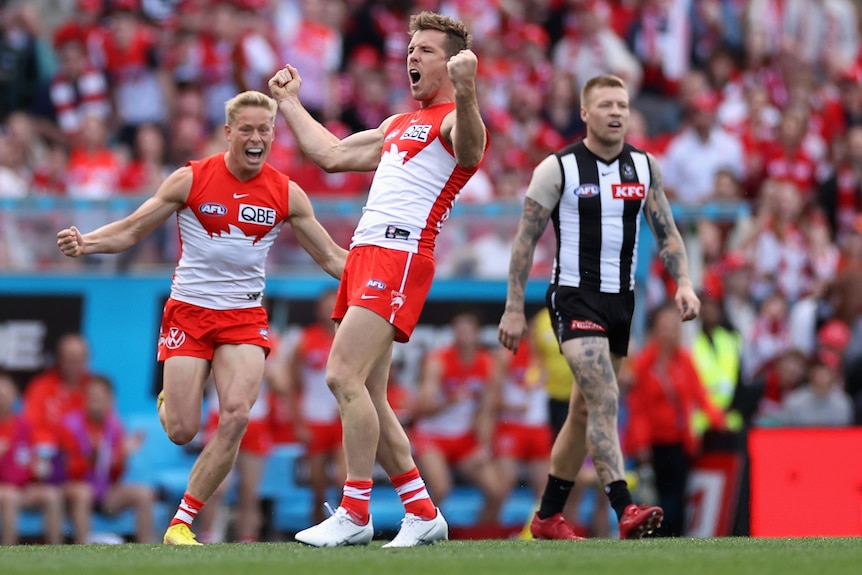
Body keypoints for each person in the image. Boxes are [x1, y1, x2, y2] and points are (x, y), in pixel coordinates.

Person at [56, 89, 348, 545]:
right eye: (247, 129)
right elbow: (132, 228)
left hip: (244, 317)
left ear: (274, 135)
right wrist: (87, 242)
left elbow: (333, 257)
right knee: (182, 430)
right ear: (228, 133)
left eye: (265, 129)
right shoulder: (190, 180)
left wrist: (386, 274)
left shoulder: (287, 194)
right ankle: (172, 406)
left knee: (235, 415)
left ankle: (181, 523)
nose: (256, 137)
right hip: (189, 313)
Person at [268, 10, 487, 548]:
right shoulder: (396, 124)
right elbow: (332, 154)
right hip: (366, 254)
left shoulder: (453, 117)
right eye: (410, 50)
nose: (412, 58)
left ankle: (356, 510)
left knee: (341, 375)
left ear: (453, 61)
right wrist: (290, 102)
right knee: (368, 391)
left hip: (401, 254)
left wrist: (466, 90)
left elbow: (471, 151)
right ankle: (421, 511)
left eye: (425, 51)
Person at [497, 74, 701, 540]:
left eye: (623, 105)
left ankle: (548, 516)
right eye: (606, 104)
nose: (616, 112)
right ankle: (624, 506)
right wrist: (513, 308)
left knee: (585, 411)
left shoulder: (645, 167)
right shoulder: (558, 169)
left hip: (620, 302)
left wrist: (684, 283)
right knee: (605, 395)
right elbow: (524, 241)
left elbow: (667, 231)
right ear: (585, 114)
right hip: (573, 296)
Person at [625, 302, 726, 537]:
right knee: (651, 499)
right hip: (651, 446)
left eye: (674, 327)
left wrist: (719, 422)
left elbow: (700, 396)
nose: (670, 332)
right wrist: (640, 445)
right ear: (655, 330)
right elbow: (638, 408)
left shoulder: (685, 361)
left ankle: (675, 539)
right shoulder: (643, 365)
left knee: (676, 498)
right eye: (665, 327)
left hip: (679, 443)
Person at [411, 309, 505, 526]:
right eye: (459, 330)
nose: (463, 335)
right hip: (432, 436)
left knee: (497, 490)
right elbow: (423, 407)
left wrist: (484, 444)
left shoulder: (487, 363)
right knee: (441, 489)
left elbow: (487, 410)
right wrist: (450, 401)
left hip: (463, 438)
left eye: (468, 330)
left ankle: (481, 541)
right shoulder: (438, 361)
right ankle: (419, 528)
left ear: (477, 334)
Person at [58, 374, 157, 543]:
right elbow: (64, 472)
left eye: (101, 397)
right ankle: (83, 551)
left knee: (144, 493)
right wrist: (92, 458)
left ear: (110, 400)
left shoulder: (114, 426)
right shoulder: (69, 424)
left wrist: (123, 456)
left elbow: (116, 475)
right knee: (83, 493)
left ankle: (148, 547)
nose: (96, 401)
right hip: (73, 493)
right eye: (92, 396)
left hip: (103, 492)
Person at [22, 333, 95, 544]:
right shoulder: (41, 387)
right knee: (51, 494)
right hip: (45, 471)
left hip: (78, 473)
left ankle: (85, 555)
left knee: (83, 493)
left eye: (79, 358)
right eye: (69, 358)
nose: (74, 364)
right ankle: (54, 558)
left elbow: (105, 428)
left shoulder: (93, 388)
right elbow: (30, 428)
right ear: (59, 359)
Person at [283, 290, 346, 525]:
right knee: (317, 486)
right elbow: (292, 386)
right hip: (314, 419)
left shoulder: (347, 338)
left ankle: (345, 524)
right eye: (325, 305)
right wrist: (298, 423)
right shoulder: (306, 340)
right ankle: (318, 527)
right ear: (318, 310)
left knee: (344, 479)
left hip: (341, 419)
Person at [0, 372, 64, 546]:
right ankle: (8, 554)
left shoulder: (24, 425)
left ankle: (56, 553)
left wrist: (38, 468)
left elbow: (29, 458)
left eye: (6, 394)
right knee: (10, 496)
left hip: (22, 488)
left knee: (51, 495)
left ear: (15, 396)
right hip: (4, 490)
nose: (2, 399)